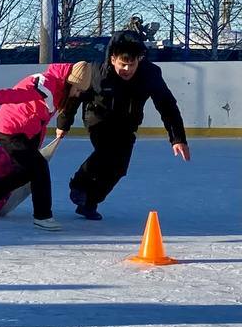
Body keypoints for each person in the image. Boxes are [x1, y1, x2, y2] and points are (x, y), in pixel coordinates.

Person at [57, 31, 189, 220]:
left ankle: (90, 202)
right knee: (107, 150)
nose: (127, 69)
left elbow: (167, 105)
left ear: (139, 60)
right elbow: (74, 97)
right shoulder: (96, 72)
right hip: (97, 118)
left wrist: (177, 138)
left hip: (127, 123)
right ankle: (79, 183)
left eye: (131, 64)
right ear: (112, 59)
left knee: (119, 168)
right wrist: (64, 123)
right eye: (122, 64)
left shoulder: (150, 74)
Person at [0, 61, 94, 231]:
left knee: (28, 171)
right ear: (69, 82)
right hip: (10, 130)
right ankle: (43, 216)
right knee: (39, 167)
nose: (77, 94)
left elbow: (39, 119)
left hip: (24, 132)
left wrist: (39, 143)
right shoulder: (46, 83)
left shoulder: (59, 88)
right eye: (77, 89)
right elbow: (20, 93)